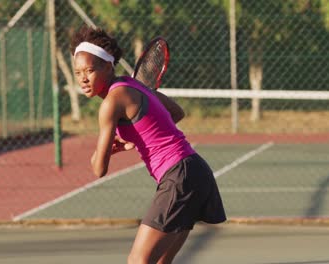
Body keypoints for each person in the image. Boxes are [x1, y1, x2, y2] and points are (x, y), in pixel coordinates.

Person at [70, 26, 226, 264]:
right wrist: (135, 135)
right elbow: (176, 112)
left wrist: (106, 149)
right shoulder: (136, 86)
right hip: (195, 171)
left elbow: (98, 168)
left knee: (138, 262)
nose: (83, 78)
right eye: (78, 72)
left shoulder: (111, 103)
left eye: (90, 70)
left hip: (178, 177)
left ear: (108, 66)